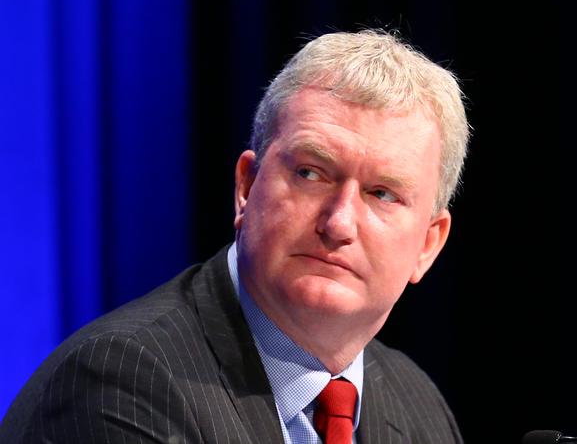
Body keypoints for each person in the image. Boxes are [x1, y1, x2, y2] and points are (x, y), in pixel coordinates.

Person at [0, 29, 470, 443]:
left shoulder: (416, 404)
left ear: (428, 244)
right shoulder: (119, 383)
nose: (339, 223)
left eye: (382, 194)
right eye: (311, 173)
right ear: (246, 187)